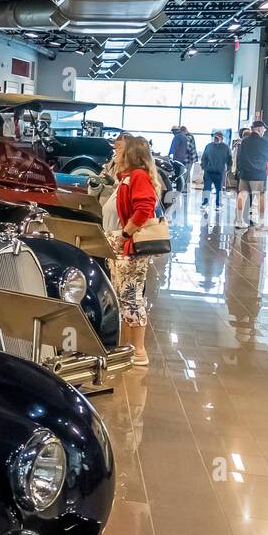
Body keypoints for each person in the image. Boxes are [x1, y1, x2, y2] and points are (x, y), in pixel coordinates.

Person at [104, 135, 160, 367]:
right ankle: (127, 347)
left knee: (132, 297)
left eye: (119, 150)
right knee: (125, 298)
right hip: (122, 246)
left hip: (130, 247)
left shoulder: (137, 177)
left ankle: (138, 350)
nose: (115, 154)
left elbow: (144, 208)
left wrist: (125, 234)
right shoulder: (127, 177)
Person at [234, 119, 268, 230]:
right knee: (260, 197)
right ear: (259, 129)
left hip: (245, 173)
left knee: (242, 195)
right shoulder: (263, 142)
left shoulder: (244, 141)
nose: (264, 131)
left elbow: (239, 156)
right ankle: (261, 223)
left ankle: (239, 221)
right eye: (264, 129)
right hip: (258, 173)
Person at [200, 130, 229, 218]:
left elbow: (229, 159)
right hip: (208, 171)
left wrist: (228, 169)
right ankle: (205, 203)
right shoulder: (208, 146)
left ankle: (218, 204)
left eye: (218, 137)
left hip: (219, 172)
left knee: (218, 189)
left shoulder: (225, 148)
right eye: (215, 137)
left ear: (221, 138)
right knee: (206, 188)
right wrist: (203, 166)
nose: (216, 139)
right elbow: (204, 157)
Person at [169, 125, 197, 191]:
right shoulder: (185, 136)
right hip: (186, 159)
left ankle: (184, 189)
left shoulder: (189, 137)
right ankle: (186, 188)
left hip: (189, 159)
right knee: (186, 174)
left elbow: (187, 148)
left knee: (185, 174)